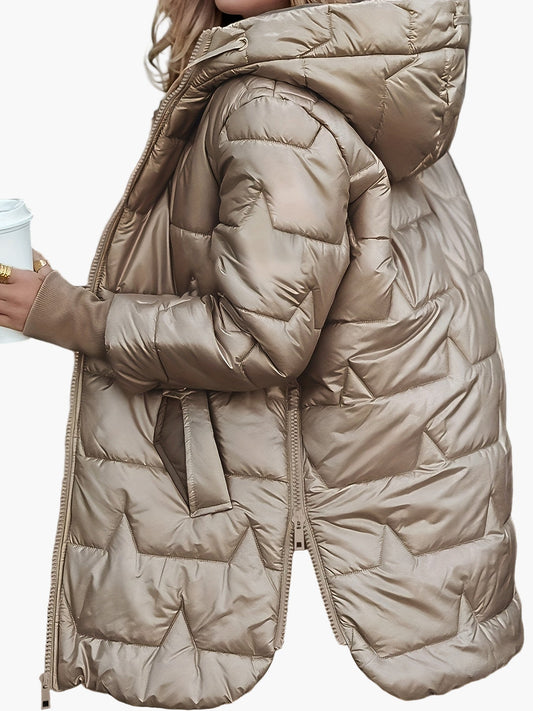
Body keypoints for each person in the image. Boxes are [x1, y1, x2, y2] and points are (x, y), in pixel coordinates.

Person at [0, 1, 525, 708]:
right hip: (412, 528)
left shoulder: (274, 104)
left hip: (314, 563)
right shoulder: (375, 80)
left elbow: (255, 338)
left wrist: (65, 313)